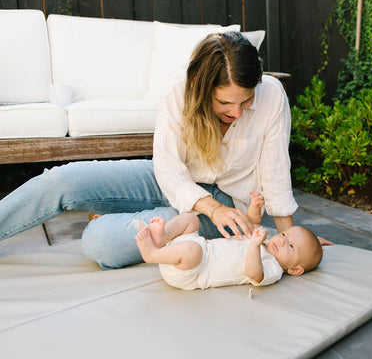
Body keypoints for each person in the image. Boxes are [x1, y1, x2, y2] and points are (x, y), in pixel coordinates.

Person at [0, 31, 311, 269]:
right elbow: (167, 168)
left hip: (229, 205)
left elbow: (275, 173)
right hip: (172, 181)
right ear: (202, 90)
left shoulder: (272, 96)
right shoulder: (179, 90)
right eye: (225, 103)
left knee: (102, 243)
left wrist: (293, 237)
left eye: (245, 101)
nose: (238, 112)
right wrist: (210, 208)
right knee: (61, 181)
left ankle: (118, 219)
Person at [134, 192, 322, 290]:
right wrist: (255, 206)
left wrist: (255, 246)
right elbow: (253, 222)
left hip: (192, 272)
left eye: (290, 246)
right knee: (191, 219)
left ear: (295, 269)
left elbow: (254, 274)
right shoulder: (262, 239)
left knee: (193, 250)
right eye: (283, 235)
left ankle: (152, 254)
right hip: (194, 249)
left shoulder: (273, 268)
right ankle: (162, 237)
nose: (281, 241)